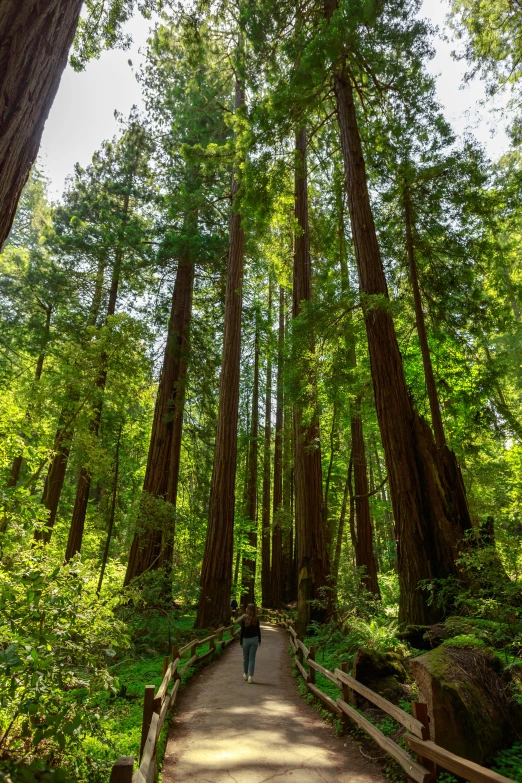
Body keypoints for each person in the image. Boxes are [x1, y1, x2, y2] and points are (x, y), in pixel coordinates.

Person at [240, 603, 261, 683]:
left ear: (247, 609)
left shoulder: (244, 618)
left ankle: (245, 673)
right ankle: (250, 677)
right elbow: (258, 630)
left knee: (245, 658)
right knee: (252, 659)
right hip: (254, 639)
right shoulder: (256, 618)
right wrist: (259, 640)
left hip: (245, 639)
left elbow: (242, 631)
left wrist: (241, 642)